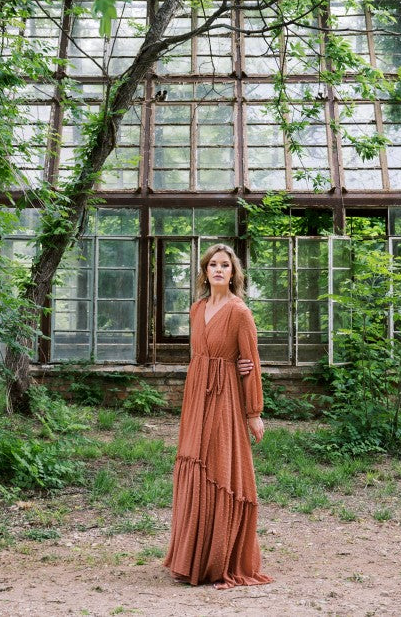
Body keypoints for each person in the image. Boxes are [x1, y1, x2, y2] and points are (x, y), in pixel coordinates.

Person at [164, 243, 274, 590]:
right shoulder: (196, 309)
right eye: (213, 264)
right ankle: (192, 558)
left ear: (234, 273)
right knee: (194, 463)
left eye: (225, 265)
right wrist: (220, 364)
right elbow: (200, 355)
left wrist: (253, 412)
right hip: (197, 394)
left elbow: (251, 361)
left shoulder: (240, 312)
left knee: (219, 466)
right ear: (205, 270)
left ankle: (220, 560)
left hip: (226, 397)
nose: (218, 270)